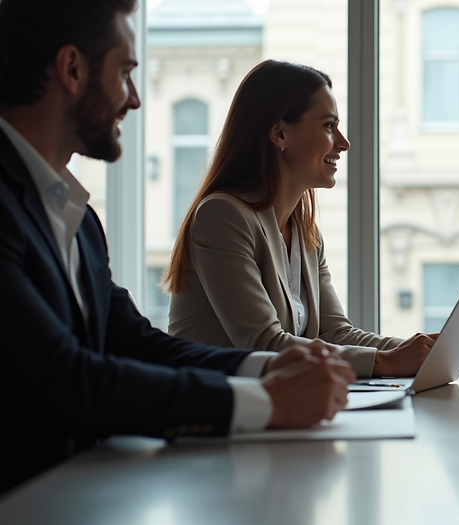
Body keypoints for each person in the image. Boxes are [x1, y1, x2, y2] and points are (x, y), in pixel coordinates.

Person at [0, 0, 355, 494]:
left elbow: (136, 344)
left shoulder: (75, 218)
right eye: (125, 72)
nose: (135, 99)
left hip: (72, 499)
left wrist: (270, 367)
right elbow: (62, 379)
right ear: (72, 69)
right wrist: (265, 403)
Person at [165, 60, 434, 378]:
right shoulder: (222, 217)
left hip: (274, 405)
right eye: (329, 126)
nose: (343, 143)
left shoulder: (305, 233)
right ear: (280, 133)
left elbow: (335, 334)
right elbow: (264, 344)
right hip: (215, 410)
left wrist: (419, 351)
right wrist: (385, 363)